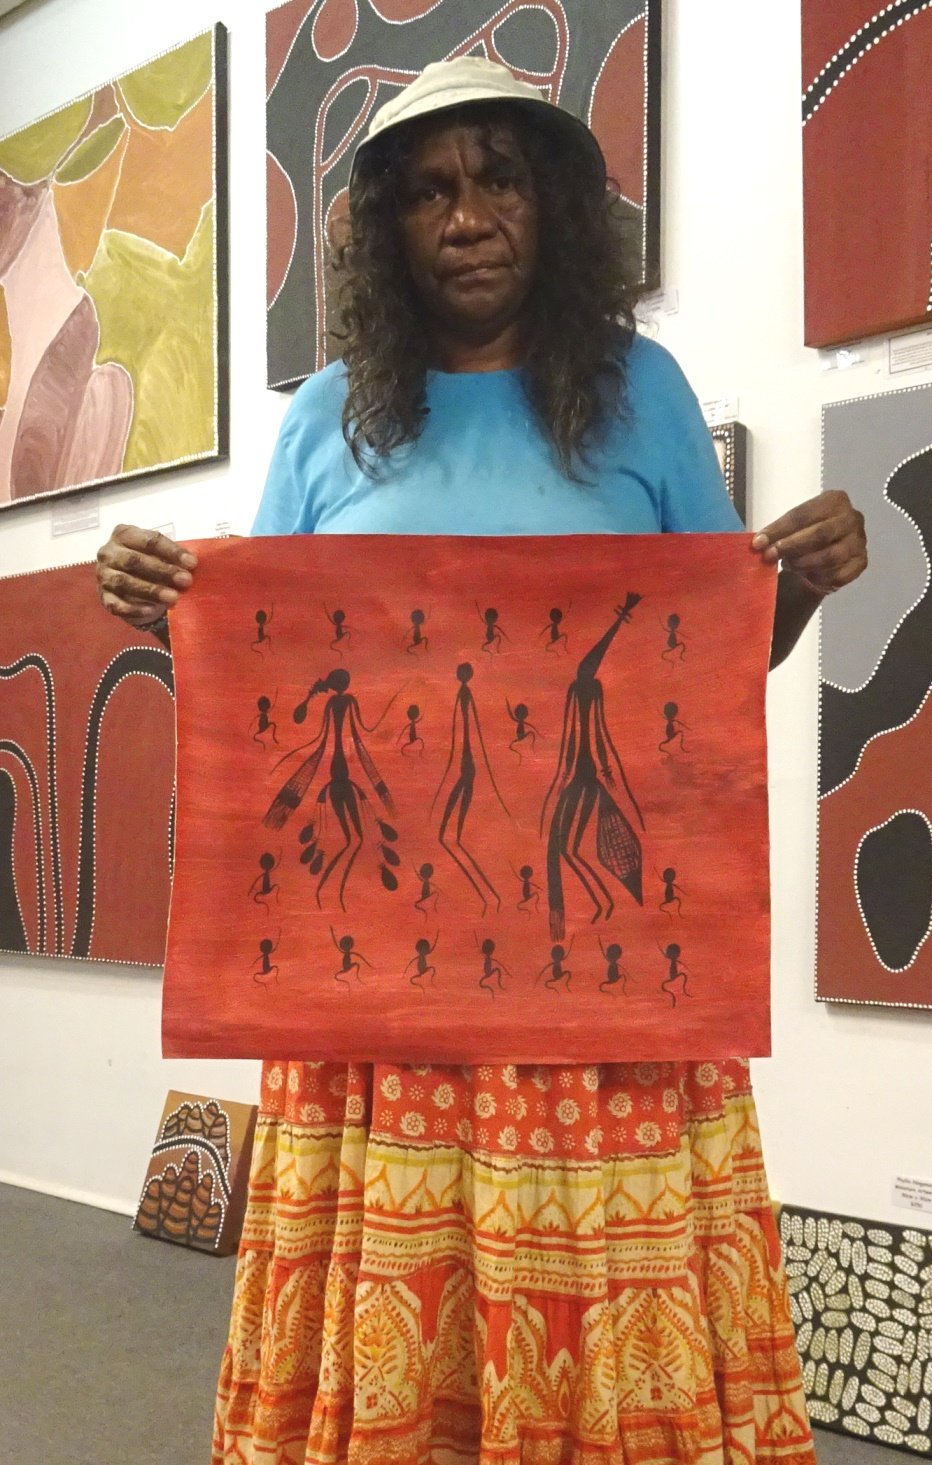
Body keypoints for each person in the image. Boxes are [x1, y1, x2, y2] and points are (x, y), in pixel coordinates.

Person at [96, 57, 867, 1465]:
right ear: (387, 229)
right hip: (378, 984)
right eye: (431, 192)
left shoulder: (640, 394)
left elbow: (708, 665)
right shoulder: (328, 418)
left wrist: (800, 586)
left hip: (596, 974)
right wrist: (165, 604)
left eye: (500, 180)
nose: (467, 219)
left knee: (596, 1288)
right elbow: (272, 669)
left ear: (552, 205)